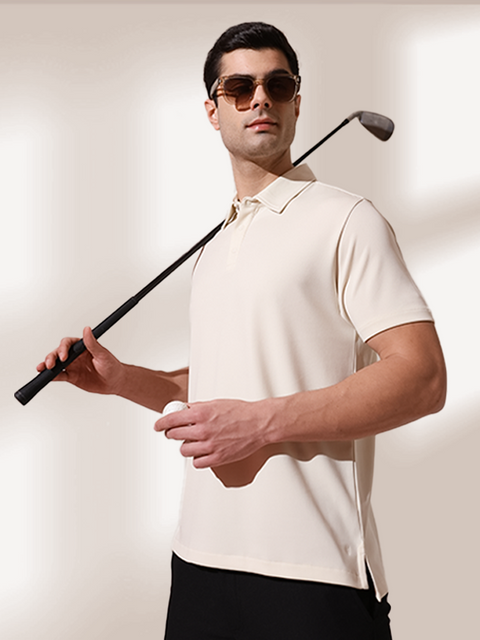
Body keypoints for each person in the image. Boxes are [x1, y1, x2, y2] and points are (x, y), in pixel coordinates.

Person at [38, 22, 446, 640]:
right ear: (213, 109)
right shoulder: (217, 242)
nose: (261, 99)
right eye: (239, 87)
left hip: (313, 574)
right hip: (198, 563)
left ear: (297, 103)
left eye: (277, 86)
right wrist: (121, 379)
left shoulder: (349, 221)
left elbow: (423, 378)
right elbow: (220, 383)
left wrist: (260, 423)